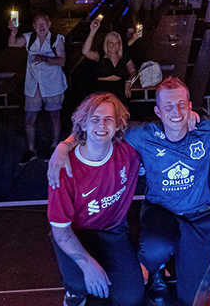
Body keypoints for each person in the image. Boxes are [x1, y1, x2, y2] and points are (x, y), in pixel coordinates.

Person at [48, 77, 210, 306]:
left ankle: (179, 264)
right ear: (158, 111)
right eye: (168, 106)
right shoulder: (143, 134)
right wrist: (64, 145)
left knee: (191, 297)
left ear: (190, 106)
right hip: (161, 211)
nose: (175, 112)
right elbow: (100, 124)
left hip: (199, 215)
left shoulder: (209, 127)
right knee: (155, 248)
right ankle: (156, 271)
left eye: (181, 105)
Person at [48, 93, 144, 306]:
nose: (102, 125)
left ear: (117, 125)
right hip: (75, 233)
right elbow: (60, 230)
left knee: (131, 297)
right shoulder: (64, 167)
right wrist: (89, 266)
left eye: (109, 119)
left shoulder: (130, 152)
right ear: (83, 124)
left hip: (114, 231)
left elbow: (168, 127)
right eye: (95, 119)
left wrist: (191, 115)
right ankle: (74, 294)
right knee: (80, 282)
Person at [9, 13, 68, 166]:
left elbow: (62, 61)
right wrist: (13, 31)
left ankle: (54, 146)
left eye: (44, 23)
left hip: (53, 84)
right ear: (34, 26)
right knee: (29, 117)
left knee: (54, 115)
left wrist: (45, 58)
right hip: (33, 84)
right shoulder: (29, 38)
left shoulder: (57, 39)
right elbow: (12, 43)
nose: (42, 27)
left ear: (49, 24)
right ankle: (31, 150)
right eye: (38, 24)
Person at [82, 18, 137, 103]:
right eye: (111, 42)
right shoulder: (100, 55)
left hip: (119, 90)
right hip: (102, 90)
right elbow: (85, 52)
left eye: (116, 43)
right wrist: (92, 31)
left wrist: (128, 81)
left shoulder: (124, 57)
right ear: (106, 43)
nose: (114, 46)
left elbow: (133, 71)